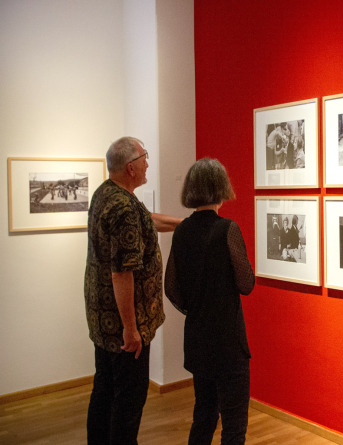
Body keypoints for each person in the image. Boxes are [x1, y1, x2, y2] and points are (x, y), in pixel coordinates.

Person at [85, 136, 181, 444]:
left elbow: (147, 220)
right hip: (124, 325)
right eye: (145, 157)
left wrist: (186, 224)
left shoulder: (107, 193)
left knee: (105, 389)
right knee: (128, 401)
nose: (148, 163)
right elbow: (121, 273)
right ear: (131, 167)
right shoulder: (124, 207)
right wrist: (131, 329)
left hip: (102, 318)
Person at [165, 158, 255, 444]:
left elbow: (171, 288)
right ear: (220, 188)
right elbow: (246, 284)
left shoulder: (181, 230)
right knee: (234, 424)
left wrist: (195, 307)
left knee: (203, 416)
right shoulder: (227, 229)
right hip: (228, 341)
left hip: (197, 339)